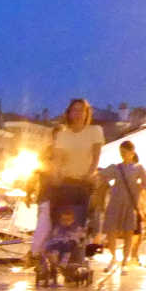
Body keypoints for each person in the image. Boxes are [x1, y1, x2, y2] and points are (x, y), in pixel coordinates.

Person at [35, 98, 104, 263]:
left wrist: (89, 173)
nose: (78, 113)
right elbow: (58, 160)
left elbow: (96, 156)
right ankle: (55, 255)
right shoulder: (63, 135)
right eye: (75, 110)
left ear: (87, 113)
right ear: (69, 113)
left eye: (82, 110)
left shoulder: (95, 131)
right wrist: (56, 175)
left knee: (79, 221)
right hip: (65, 182)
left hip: (83, 182)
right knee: (60, 220)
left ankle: (76, 258)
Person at [99, 140, 146, 266]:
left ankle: (125, 259)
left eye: (124, 152)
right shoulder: (116, 167)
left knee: (128, 232)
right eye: (121, 152)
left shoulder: (139, 168)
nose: (122, 154)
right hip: (115, 202)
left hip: (130, 203)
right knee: (110, 230)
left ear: (132, 152)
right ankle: (113, 257)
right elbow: (101, 176)